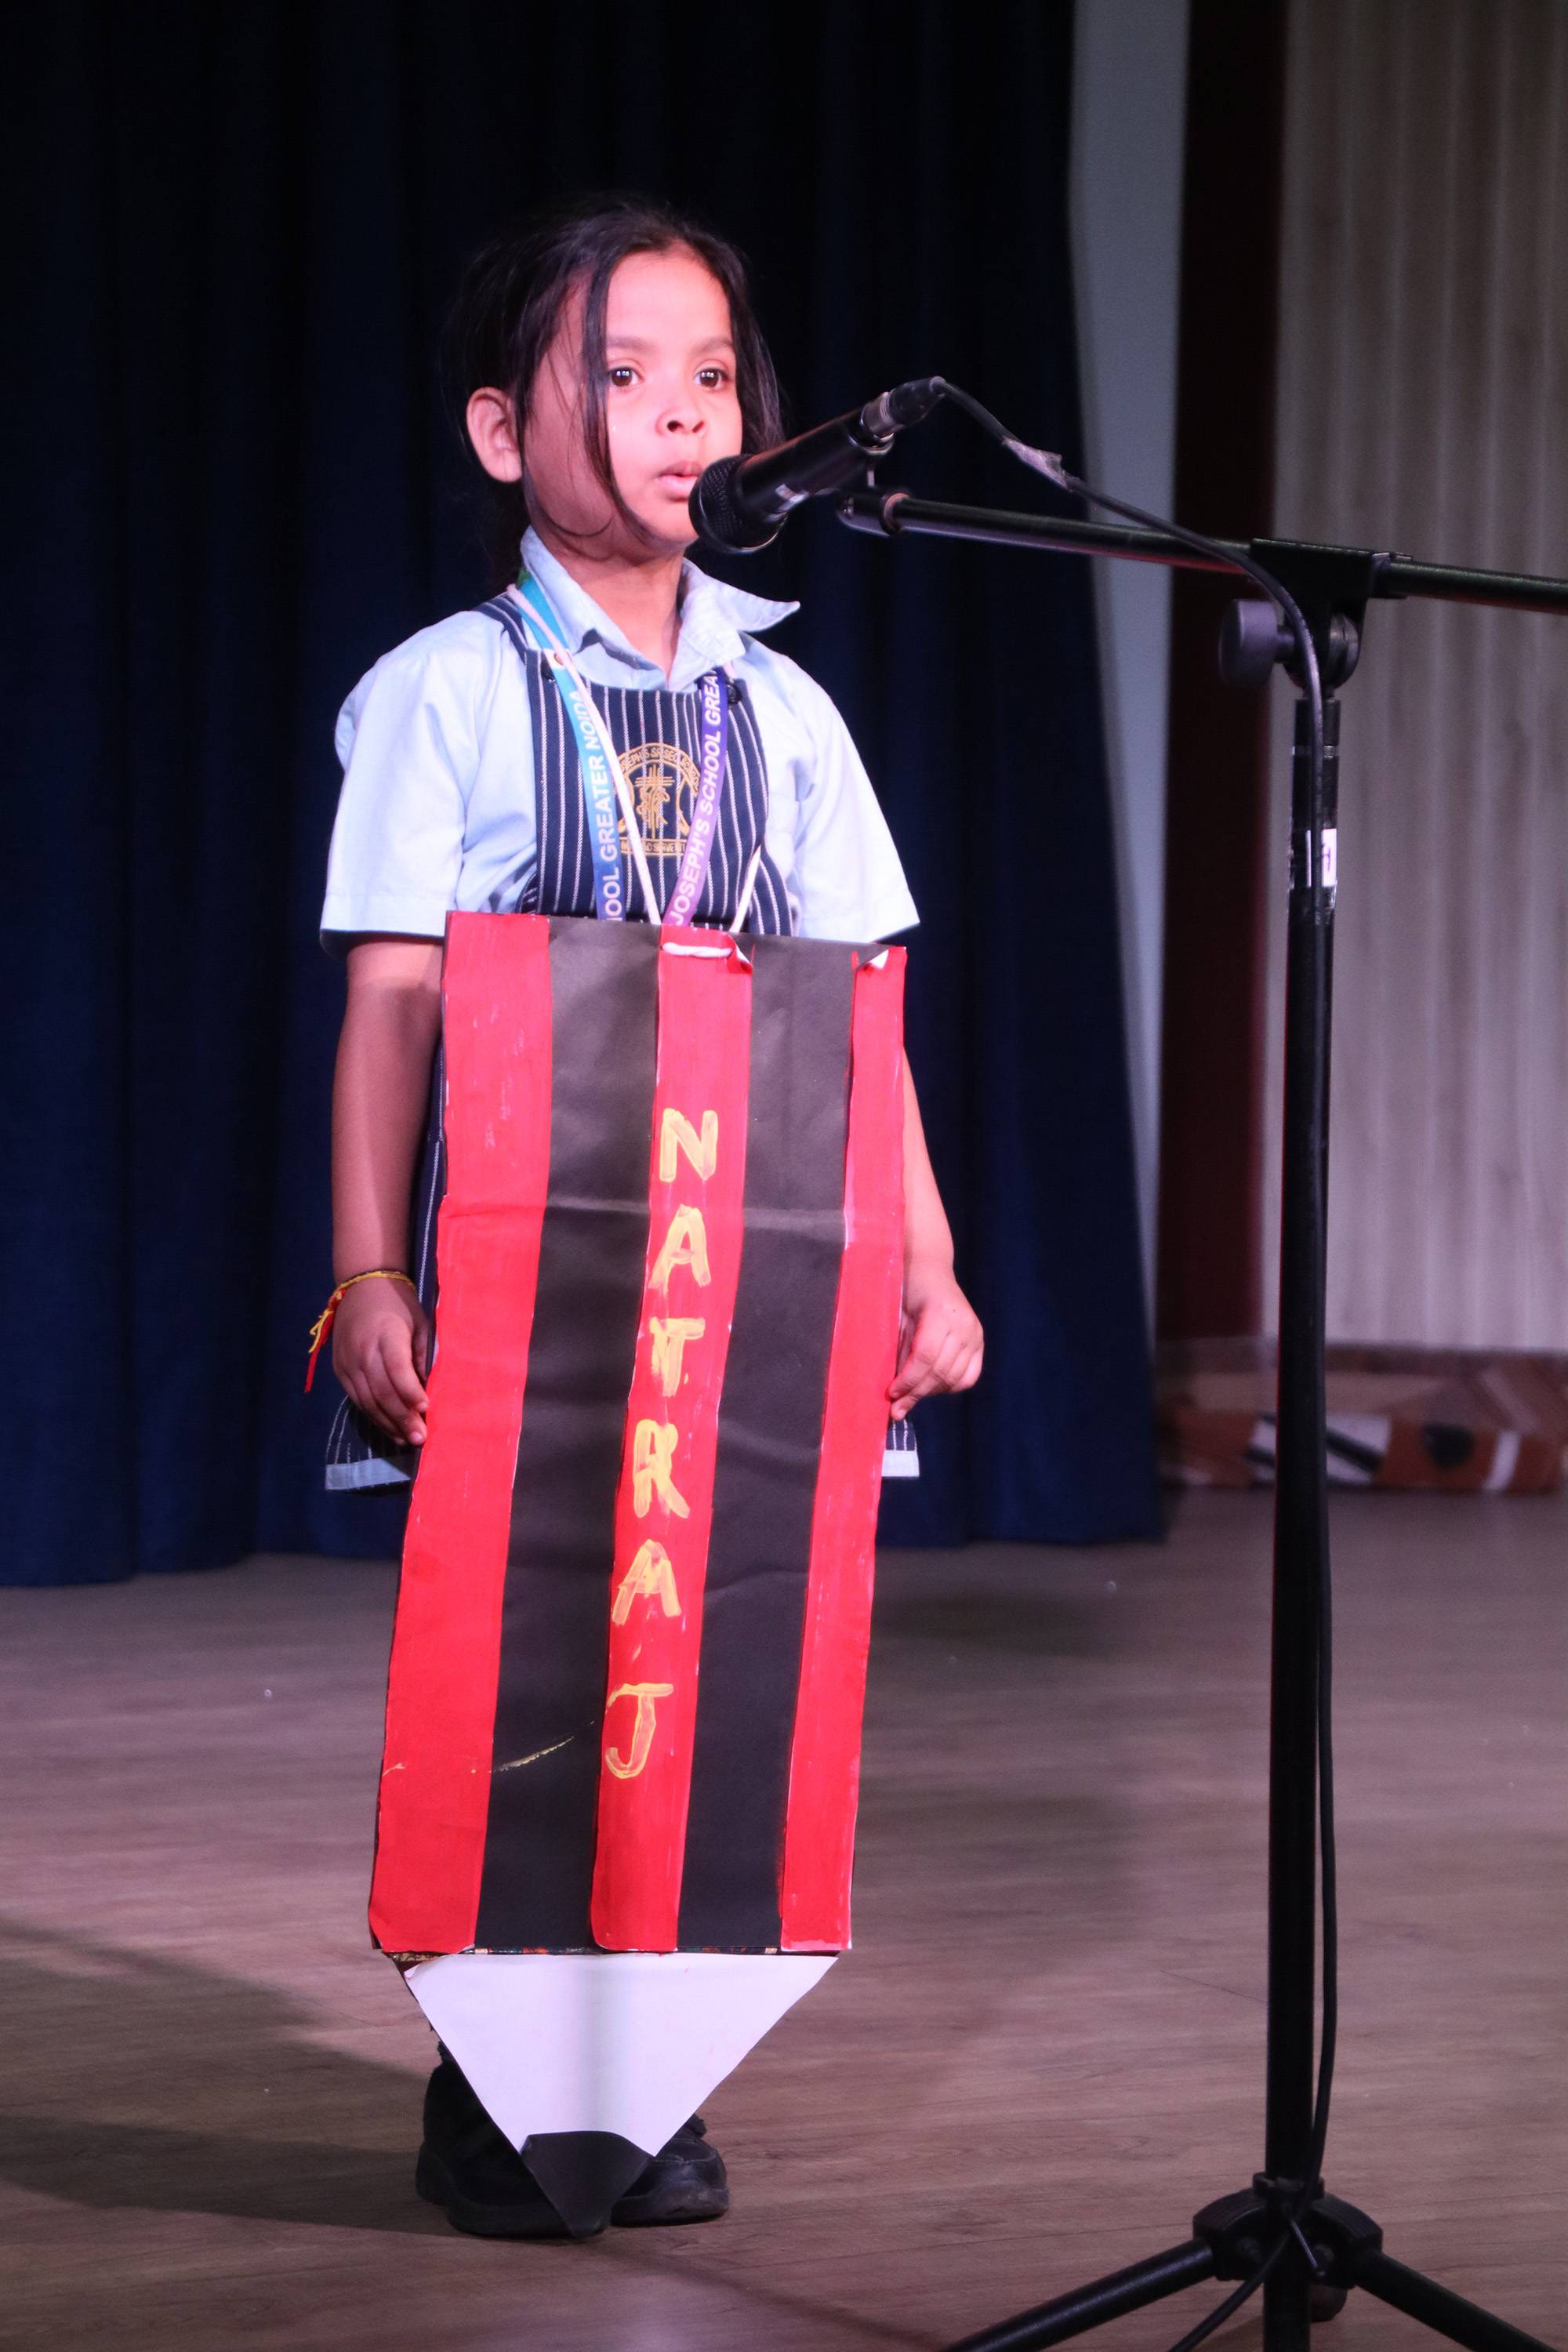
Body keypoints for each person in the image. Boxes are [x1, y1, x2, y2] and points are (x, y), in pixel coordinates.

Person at [318, 194, 983, 2237]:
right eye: (623, 376)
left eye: (714, 377)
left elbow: (862, 1010)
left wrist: (927, 1258)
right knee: (533, 1672)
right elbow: (393, 1001)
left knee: (727, 1665)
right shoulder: (446, 691)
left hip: (758, 1276)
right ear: (502, 431)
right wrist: (369, 1267)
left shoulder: (790, 711)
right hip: (542, 1277)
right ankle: (498, 2088)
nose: (686, 415)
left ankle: (653, 2076)